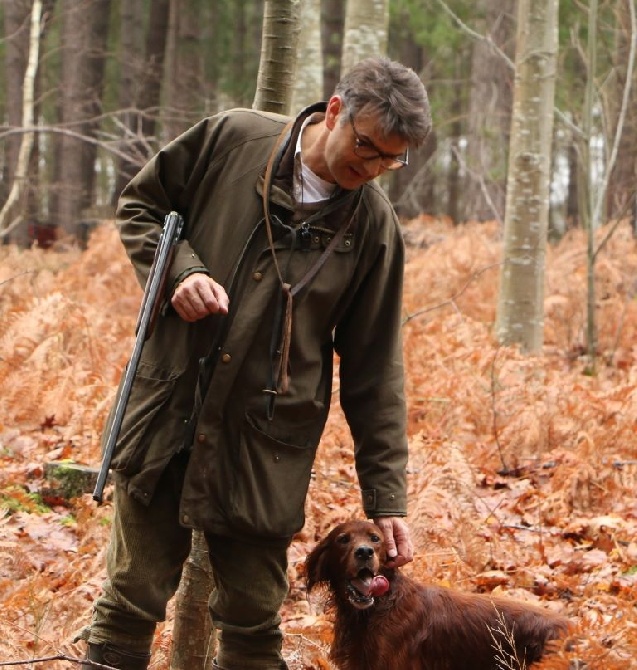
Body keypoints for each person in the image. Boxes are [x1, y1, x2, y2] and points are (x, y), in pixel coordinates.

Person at [81, 56, 432, 670]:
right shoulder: (232, 139)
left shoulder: (373, 226)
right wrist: (178, 274)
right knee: (130, 597)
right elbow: (140, 205)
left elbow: (376, 371)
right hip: (171, 411)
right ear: (335, 112)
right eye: (367, 146)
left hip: (266, 445)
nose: (371, 168)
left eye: (389, 161)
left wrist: (386, 496)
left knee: (252, 615)